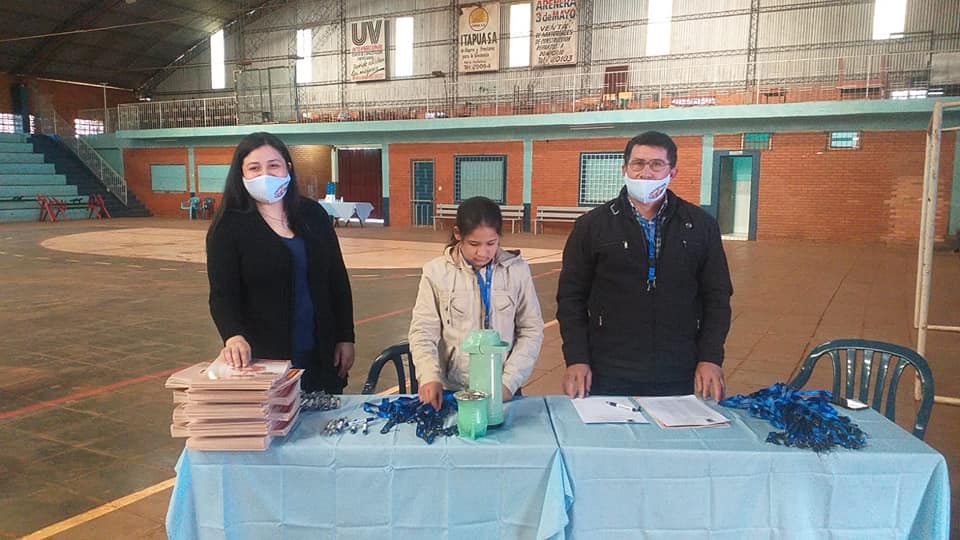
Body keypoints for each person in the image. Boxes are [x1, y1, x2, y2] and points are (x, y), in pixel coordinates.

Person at [557, 131, 733, 400]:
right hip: (609, 368)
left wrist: (711, 357)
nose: (646, 173)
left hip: (679, 369)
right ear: (624, 169)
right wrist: (576, 358)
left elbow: (717, 297)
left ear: (672, 172)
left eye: (656, 164)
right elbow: (571, 298)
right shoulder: (592, 226)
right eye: (638, 163)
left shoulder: (700, 225)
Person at [206, 132, 355, 393]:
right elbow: (222, 295)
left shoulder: (313, 215)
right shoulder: (228, 228)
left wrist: (345, 336)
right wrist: (233, 335)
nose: (265, 174)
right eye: (254, 168)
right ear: (241, 174)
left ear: (288, 167)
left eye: (273, 165)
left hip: (322, 351)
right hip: (266, 357)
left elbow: (337, 280)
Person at [409, 196, 544, 410]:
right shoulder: (436, 273)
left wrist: (509, 381)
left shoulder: (517, 271)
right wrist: (428, 376)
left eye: (491, 243)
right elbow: (423, 331)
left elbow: (531, 329)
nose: (483, 252)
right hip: (453, 390)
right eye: (474, 244)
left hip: (502, 388)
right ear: (458, 234)